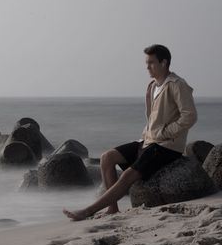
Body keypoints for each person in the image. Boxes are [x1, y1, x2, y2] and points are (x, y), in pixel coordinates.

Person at [63, 44, 197, 221]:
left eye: (151, 62)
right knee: (107, 157)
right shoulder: (152, 86)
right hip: (149, 140)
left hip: (167, 146)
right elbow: (153, 118)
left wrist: (165, 132)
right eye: (146, 63)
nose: (147, 67)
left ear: (164, 63)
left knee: (127, 175)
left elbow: (190, 116)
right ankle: (112, 209)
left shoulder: (177, 84)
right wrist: (149, 134)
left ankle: (87, 211)